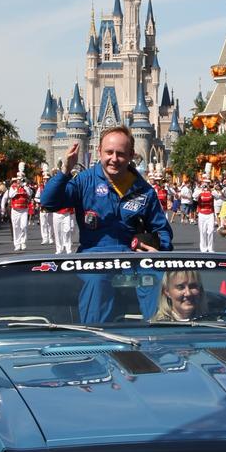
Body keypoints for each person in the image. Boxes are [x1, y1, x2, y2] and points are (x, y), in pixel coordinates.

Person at [40, 126, 172, 322]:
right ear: (99, 152)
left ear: (131, 156)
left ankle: (158, 340)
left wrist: (158, 249)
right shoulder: (85, 181)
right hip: (95, 258)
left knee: (155, 279)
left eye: (120, 154)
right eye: (109, 152)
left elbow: (162, 230)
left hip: (133, 263)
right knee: (97, 281)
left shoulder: (144, 190)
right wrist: (65, 170)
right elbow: (48, 202)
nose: (114, 159)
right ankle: (95, 341)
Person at [7, 175, 32, 251]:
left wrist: (25, 187)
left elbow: (30, 194)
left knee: (24, 226)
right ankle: (17, 244)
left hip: (24, 210)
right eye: (18, 180)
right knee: (16, 227)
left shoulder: (25, 187)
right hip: (15, 210)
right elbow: (11, 195)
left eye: (21, 180)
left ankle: (23, 242)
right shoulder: (13, 187)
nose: (19, 181)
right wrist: (17, 188)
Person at [194, 177, 216, 252]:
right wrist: (201, 189)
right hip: (202, 214)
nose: (206, 184)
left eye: (208, 183)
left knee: (211, 231)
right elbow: (194, 196)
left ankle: (210, 248)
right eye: (205, 183)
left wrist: (210, 189)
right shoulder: (199, 190)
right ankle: (203, 248)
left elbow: (218, 196)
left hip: (210, 214)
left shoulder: (212, 191)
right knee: (202, 231)